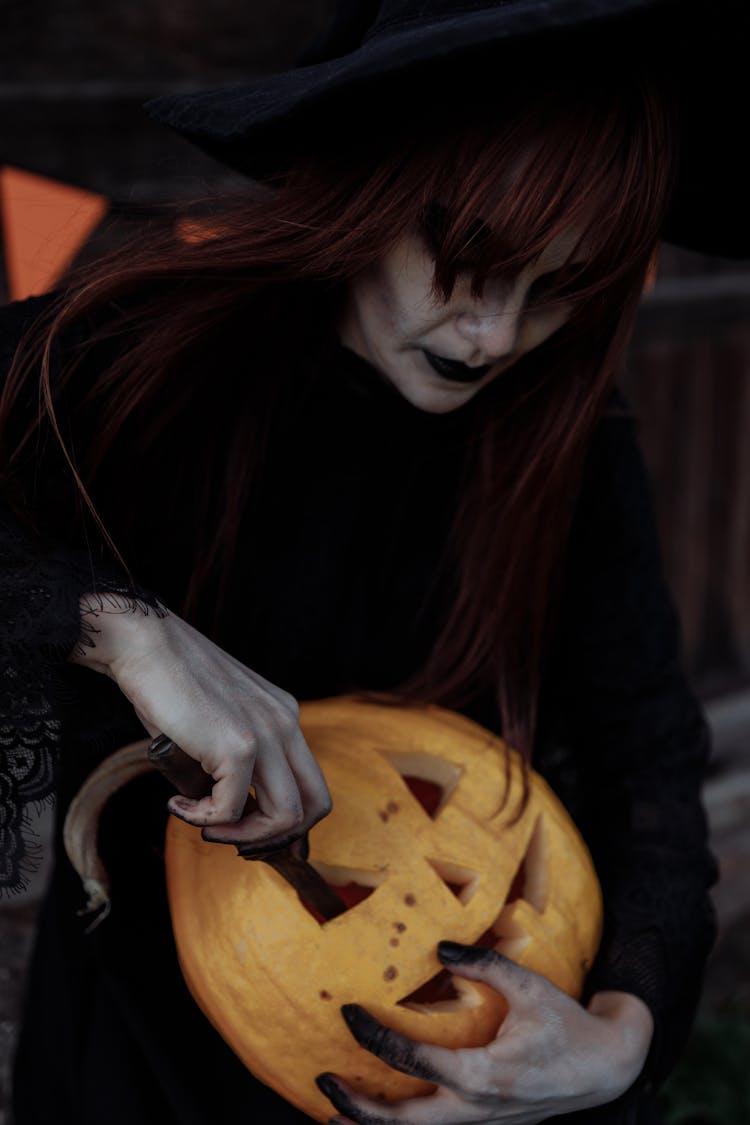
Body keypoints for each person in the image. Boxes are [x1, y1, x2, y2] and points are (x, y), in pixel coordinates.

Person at [0, 1, 747, 1122]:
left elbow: (648, 762)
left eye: (560, 289)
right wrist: (118, 626)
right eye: (466, 259)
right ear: (371, 188)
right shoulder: (141, 361)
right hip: (145, 1046)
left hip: (453, 1062)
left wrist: (622, 1038)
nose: (493, 336)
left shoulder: (573, 443)